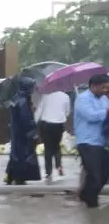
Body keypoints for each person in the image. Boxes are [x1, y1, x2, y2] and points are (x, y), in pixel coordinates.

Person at [73, 74, 109, 208]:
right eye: (103, 87)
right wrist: (106, 112)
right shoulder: (82, 99)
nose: (106, 90)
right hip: (87, 142)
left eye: (107, 88)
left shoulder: (104, 99)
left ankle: (85, 195)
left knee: (105, 175)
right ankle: (92, 205)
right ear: (93, 86)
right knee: (95, 176)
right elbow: (91, 116)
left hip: (101, 142)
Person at [4, 77, 42, 185]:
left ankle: (11, 176)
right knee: (23, 155)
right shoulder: (23, 101)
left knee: (16, 154)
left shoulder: (17, 98)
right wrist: (33, 131)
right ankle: (19, 178)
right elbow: (26, 119)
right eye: (32, 87)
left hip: (17, 132)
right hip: (23, 134)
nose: (33, 89)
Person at [34, 88, 71, 183]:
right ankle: (59, 166)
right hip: (58, 125)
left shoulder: (46, 95)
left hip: (46, 124)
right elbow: (67, 112)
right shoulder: (66, 96)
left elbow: (40, 110)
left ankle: (48, 172)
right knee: (56, 146)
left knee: (48, 148)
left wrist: (34, 122)